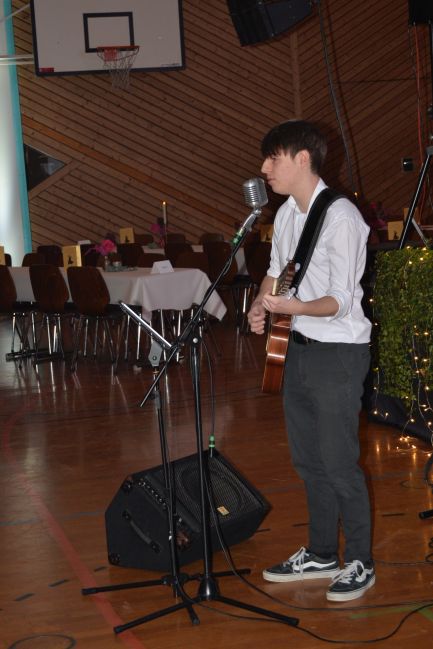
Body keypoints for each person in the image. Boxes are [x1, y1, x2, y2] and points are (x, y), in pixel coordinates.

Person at [247, 120, 374, 602]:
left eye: (273, 157)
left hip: (337, 353)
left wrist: (293, 307)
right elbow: (276, 273)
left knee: (339, 462)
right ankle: (322, 553)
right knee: (308, 460)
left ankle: (360, 559)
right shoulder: (285, 214)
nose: (264, 168)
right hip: (296, 349)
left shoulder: (341, 217)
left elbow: (341, 300)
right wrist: (261, 305)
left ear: (303, 159)